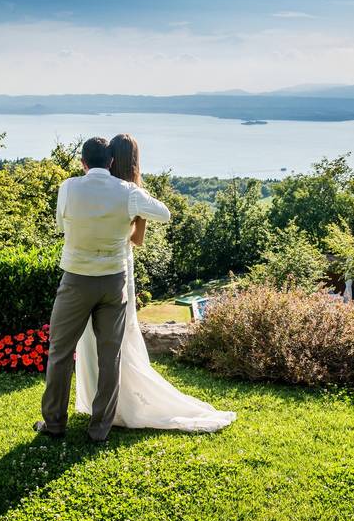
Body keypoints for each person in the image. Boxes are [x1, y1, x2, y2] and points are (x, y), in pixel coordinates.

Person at [73, 134, 236, 434]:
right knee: (119, 340)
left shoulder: (103, 190)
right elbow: (140, 237)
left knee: (95, 339)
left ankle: (103, 402)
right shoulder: (131, 193)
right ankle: (114, 405)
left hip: (92, 271)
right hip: (119, 268)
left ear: (109, 160)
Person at [36, 136, 173, 442]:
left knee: (60, 352)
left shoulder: (69, 187)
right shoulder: (128, 192)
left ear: (83, 162)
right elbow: (163, 213)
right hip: (114, 282)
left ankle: (54, 423)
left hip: (76, 280)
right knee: (109, 356)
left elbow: (60, 224)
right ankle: (100, 428)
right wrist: (136, 194)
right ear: (110, 162)